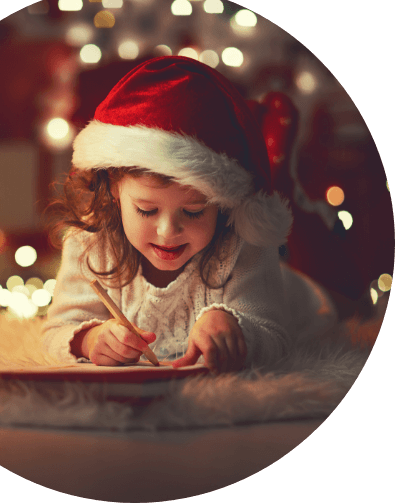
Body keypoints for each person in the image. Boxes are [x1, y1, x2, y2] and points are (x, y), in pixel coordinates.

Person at [42, 56, 338, 373]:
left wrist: (236, 327)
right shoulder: (90, 243)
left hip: (309, 308)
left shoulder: (243, 244)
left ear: (221, 204)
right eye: (146, 210)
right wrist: (90, 339)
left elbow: (275, 338)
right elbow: (55, 331)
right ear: (115, 192)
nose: (168, 231)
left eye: (194, 212)